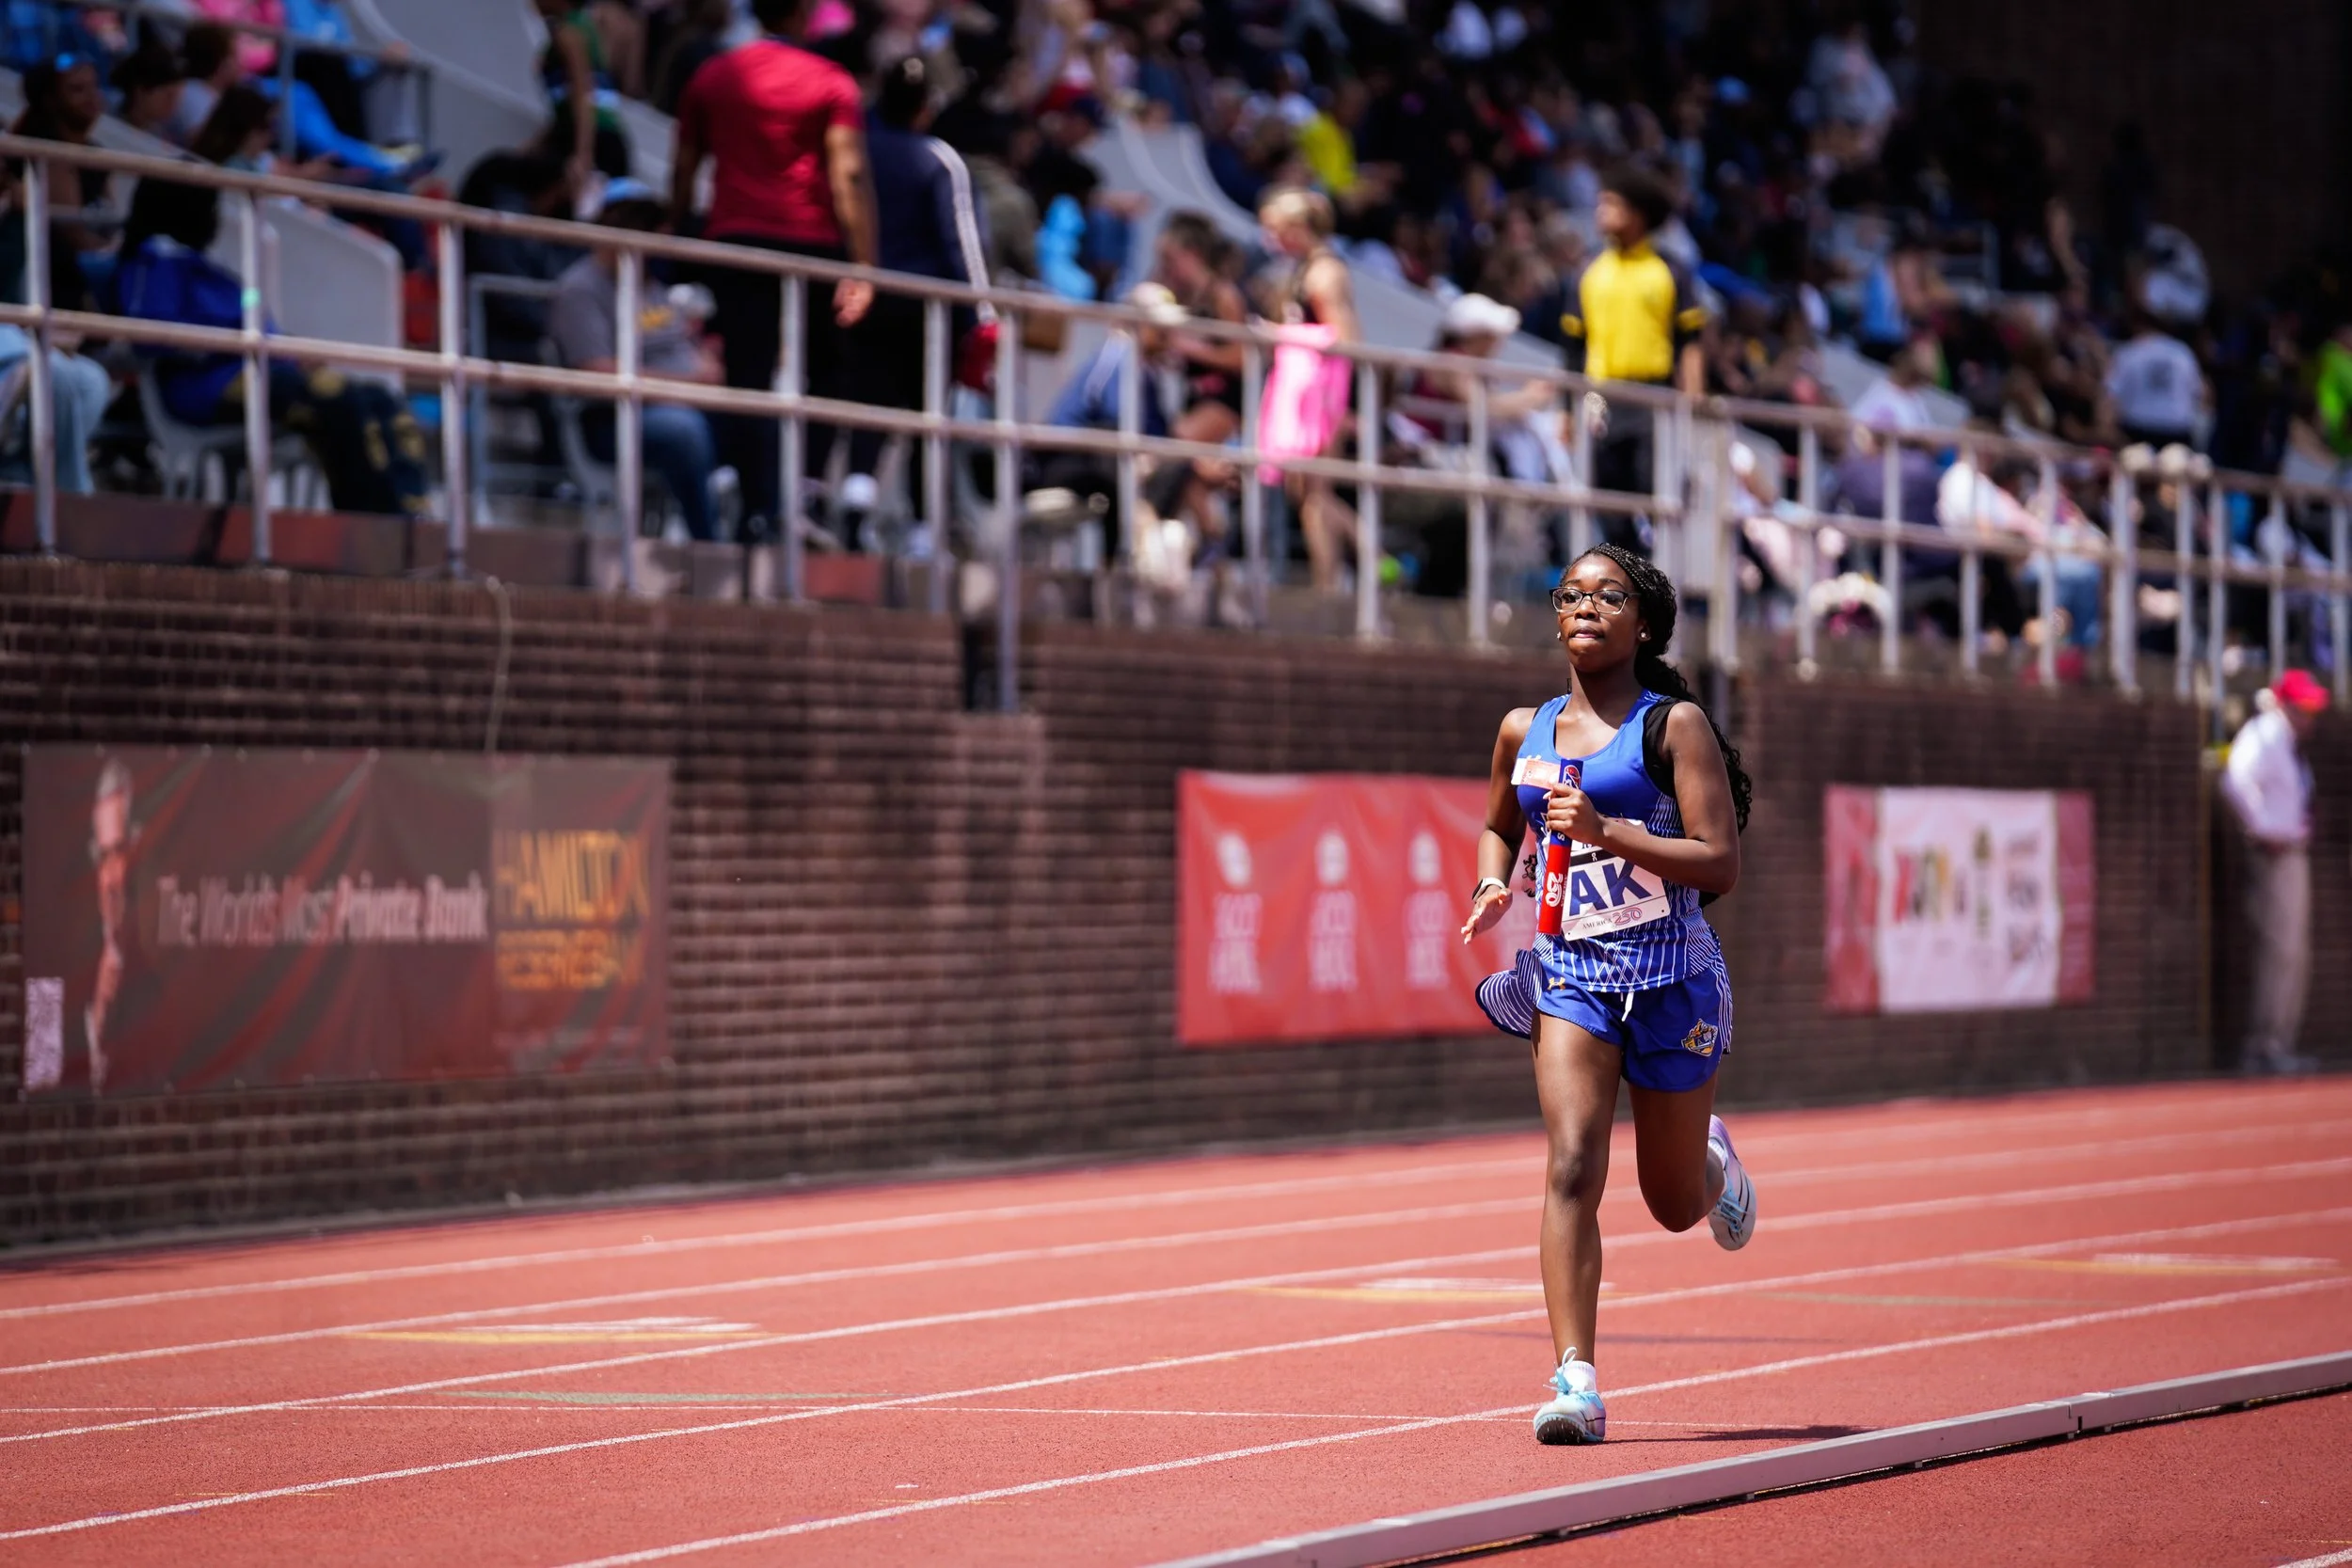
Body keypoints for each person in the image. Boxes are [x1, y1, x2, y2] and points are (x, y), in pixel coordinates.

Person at [1459, 542, 1756, 1445]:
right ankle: (1575, 1380)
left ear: (1645, 623)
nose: (1585, 605)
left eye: (1609, 594)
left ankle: (1712, 1160)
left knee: (1670, 1204)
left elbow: (1721, 863)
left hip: (1670, 976)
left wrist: (1609, 832)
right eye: (1571, 593)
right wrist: (1490, 882)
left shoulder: (1676, 727)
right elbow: (1492, 825)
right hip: (1573, 976)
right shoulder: (1525, 728)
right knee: (1571, 1163)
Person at [669, 0, 878, 536]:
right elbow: (848, 176)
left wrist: (677, 233)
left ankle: (756, 500)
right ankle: (807, 492)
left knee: (747, 374)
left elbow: (685, 165)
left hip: (736, 241)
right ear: (803, 14)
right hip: (812, 243)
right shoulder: (830, 81)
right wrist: (865, 265)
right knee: (830, 371)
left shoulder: (713, 75)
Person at [115, 176, 433, 518]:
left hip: (266, 370)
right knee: (336, 402)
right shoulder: (154, 262)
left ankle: (415, 518)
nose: (215, 218)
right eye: (209, 207)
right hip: (207, 385)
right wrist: (239, 348)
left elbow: (260, 326)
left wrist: (291, 354)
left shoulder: (205, 267)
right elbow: (152, 337)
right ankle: (371, 523)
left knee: (380, 399)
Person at [837, 53, 993, 546]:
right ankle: (924, 530)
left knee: (869, 410)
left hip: (867, 300)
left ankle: (854, 504)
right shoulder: (938, 159)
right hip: (926, 311)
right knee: (929, 418)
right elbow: (959, 243)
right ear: (926, 107)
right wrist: (980, 312)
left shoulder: (857, 151)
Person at [547, 180, 724, 541]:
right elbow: (595, 370)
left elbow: (684, 345)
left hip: (689, 402)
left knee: (763, 421)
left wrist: (707, 361)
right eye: (634, 220)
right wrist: (687, 384)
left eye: (651, 223)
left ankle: (758, 533)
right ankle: (710, 547)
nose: (649, 232)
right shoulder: (580, 288)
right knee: (684, 431)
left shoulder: (653, 284)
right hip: (613, 418)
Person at [1558, 165, 1706, 534]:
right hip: (1600, 396)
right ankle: (1627, 570)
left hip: (1653, 395)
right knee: (1603, 494)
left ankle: (1654, 573)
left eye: (1611, 204)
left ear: (1637, 214)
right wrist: (1567, 411)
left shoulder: (1669, 271)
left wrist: (1694, 397)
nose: (1600, 212)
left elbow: (1689, 341)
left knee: (1655, 490)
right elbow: (1573, 347)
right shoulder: (1589, 269)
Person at [2222, 670, 2327, 1076]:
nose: (2310, 716)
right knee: (2280, 950)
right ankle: (2265, 1045)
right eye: (2304, 707)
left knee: (2294, 953)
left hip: (2293, 850)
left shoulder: (2289, 744)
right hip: (2275, 854)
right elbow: (2234, 782)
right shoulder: (2264, 734)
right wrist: (2262, 829)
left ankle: (2280, 1040)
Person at [1257, 185, 1359, 591]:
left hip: (1323, 402)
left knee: (1316, 495)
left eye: (1276, 230)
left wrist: (1282, 333)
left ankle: (1331, 582)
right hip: (1308, 401)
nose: (1271, 240)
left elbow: (1347, 339)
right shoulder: (1304, 268)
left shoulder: (1325, 272)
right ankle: (1361, 563)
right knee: (1310, 493)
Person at [534, 0, 631, 182]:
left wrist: (582, 155)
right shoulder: (584, 26)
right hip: (599, 137)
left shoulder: (569, 33)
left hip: (596, 142)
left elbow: (583, 94)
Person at [2107, 307, 2207, 451]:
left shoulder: (2129, 351)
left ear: (2138, 326)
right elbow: (2203, 395)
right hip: (2178, 434)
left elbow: (2110, 398)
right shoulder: (2183, 352)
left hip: (2136, 433)